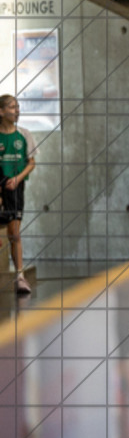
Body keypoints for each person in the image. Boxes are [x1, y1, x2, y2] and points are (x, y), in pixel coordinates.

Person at [0, 96, 36, 294]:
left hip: (15, 189)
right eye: (12, 107)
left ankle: (20, 277)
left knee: (14, 233)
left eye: (18, 107)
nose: (17, 110)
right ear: (1, 111)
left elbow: (31, 162)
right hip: (0, 186)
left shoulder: (24, 134)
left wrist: (18, 178)